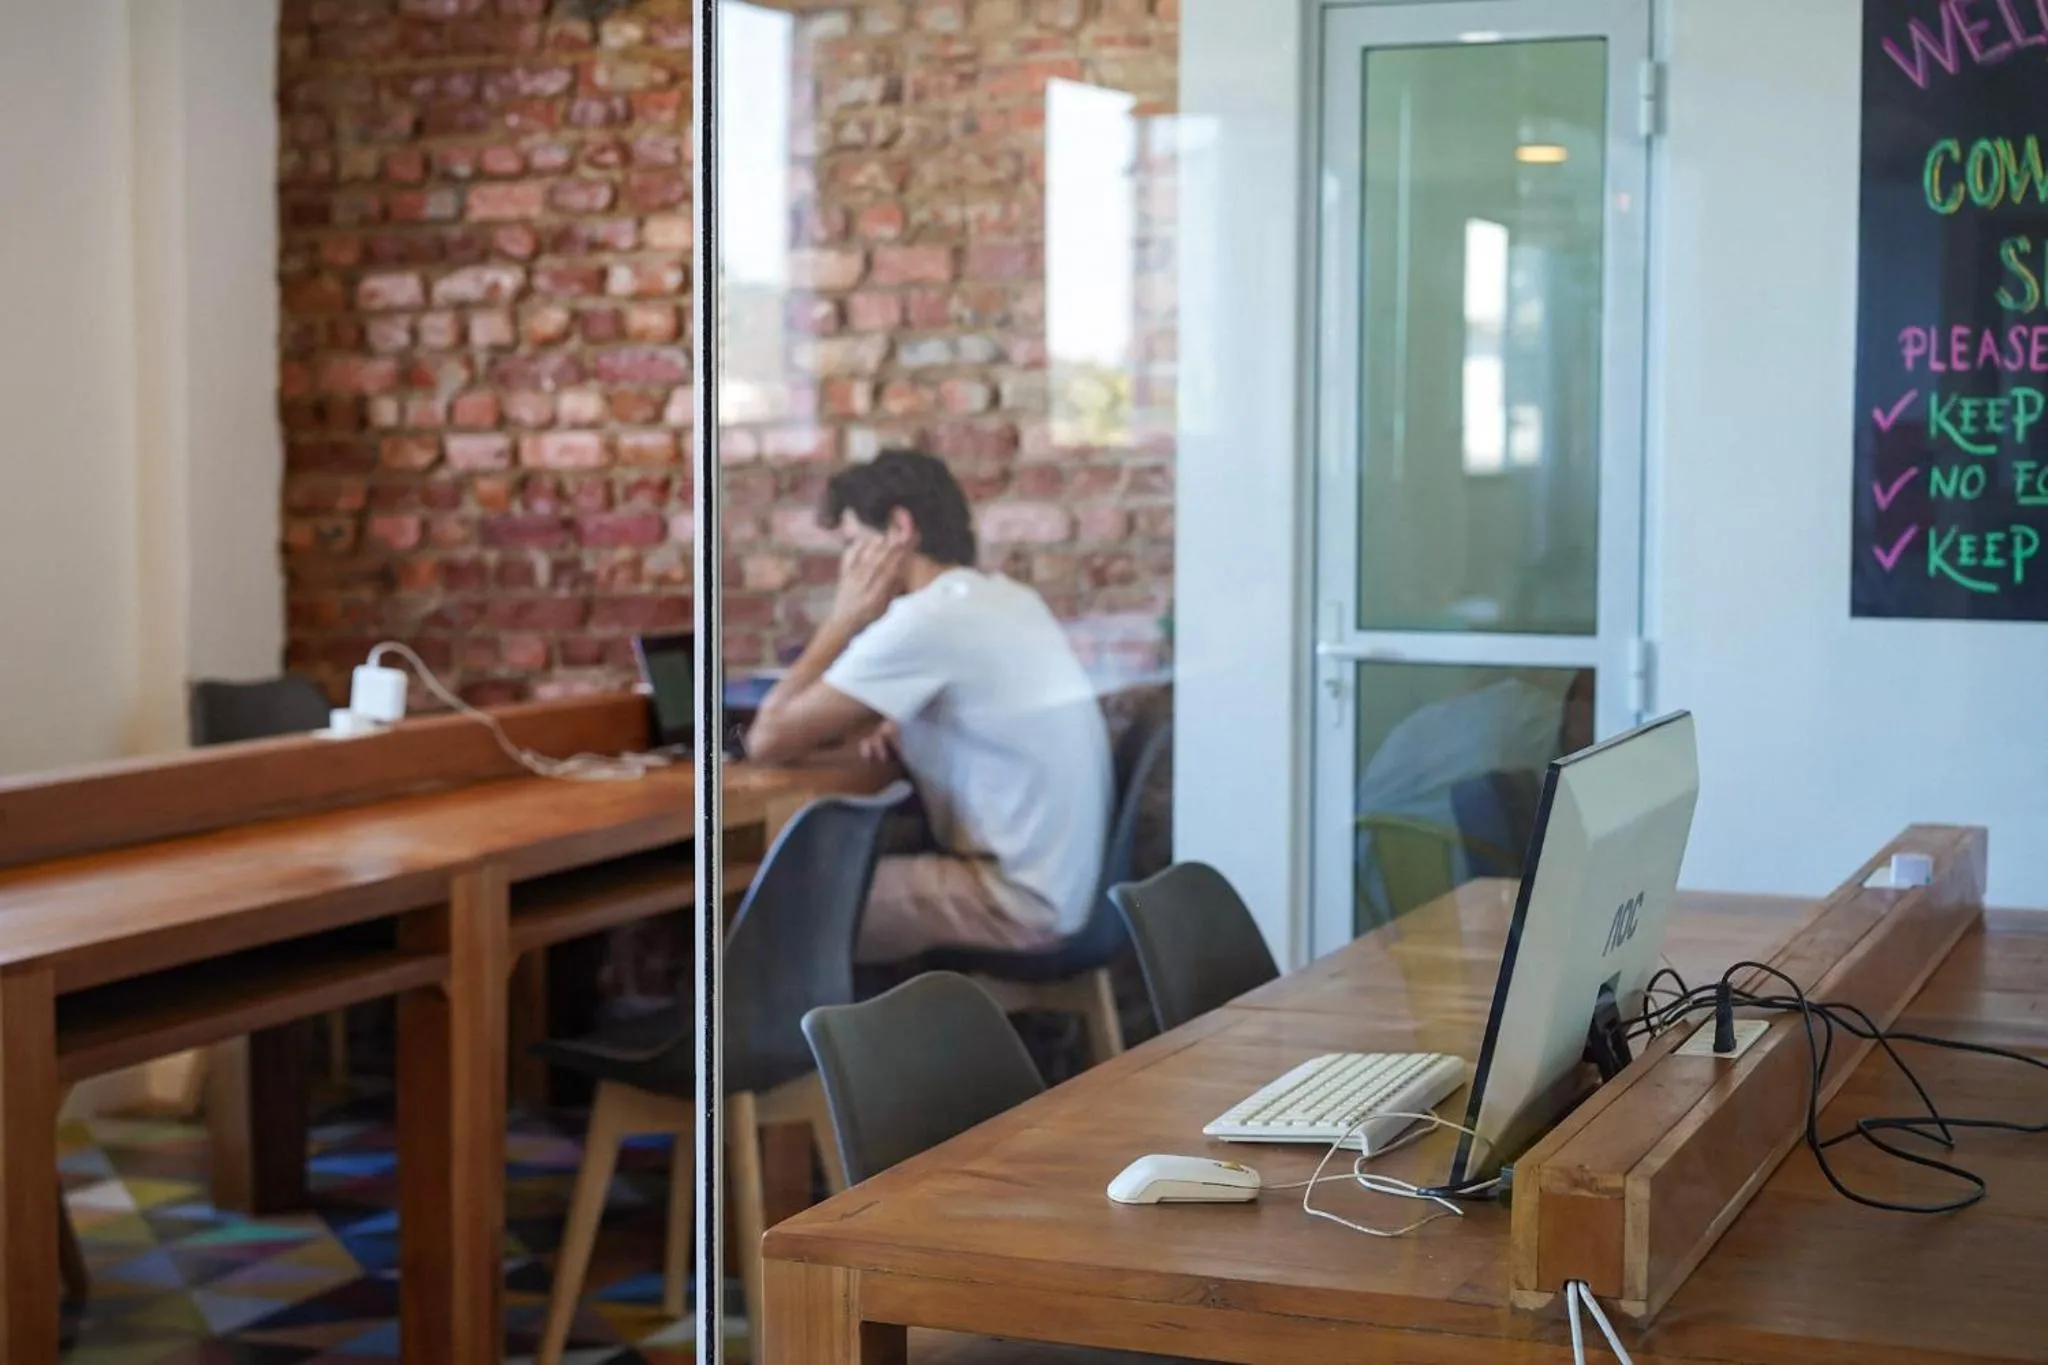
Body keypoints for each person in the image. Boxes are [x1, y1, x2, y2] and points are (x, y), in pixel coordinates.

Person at [745, 450, 1112, 963]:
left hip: (1015, 901)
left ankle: (792, 1044)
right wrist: (912, 726)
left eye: (852, 545)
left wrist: (843, 618)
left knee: (774, 906)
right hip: (1062, 887)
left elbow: (769, 739)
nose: (847, 566)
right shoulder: (1004, 598)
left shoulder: (929, 617)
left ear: (898, 528)